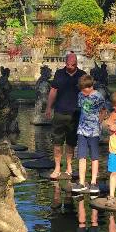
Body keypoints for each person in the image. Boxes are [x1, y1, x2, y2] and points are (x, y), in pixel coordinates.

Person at [45, 52, 85, 180]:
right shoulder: (59, 73)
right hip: (60, 112)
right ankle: (57, 167)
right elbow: (53, 90)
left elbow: (87, 93)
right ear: (65, 63)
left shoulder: (82, 75)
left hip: (75, 113)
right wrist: (48, 107)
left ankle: (69, 167)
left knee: (71, 142)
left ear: (76, 64)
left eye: (73, 65)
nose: (71, 67)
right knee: (57, 141)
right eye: (68, 65)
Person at [72, 74, 108, 194]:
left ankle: (93, 182)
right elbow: (82, 108)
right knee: (81, 156)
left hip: (94, 132)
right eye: (81, 89)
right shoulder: (80, 95)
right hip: (82, 130)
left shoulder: (98, 96)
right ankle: (82, 182)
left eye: (84, 89)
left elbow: (104, 110)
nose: (83, 92)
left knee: (94, 157)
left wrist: (99, 121)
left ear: (90, 87)